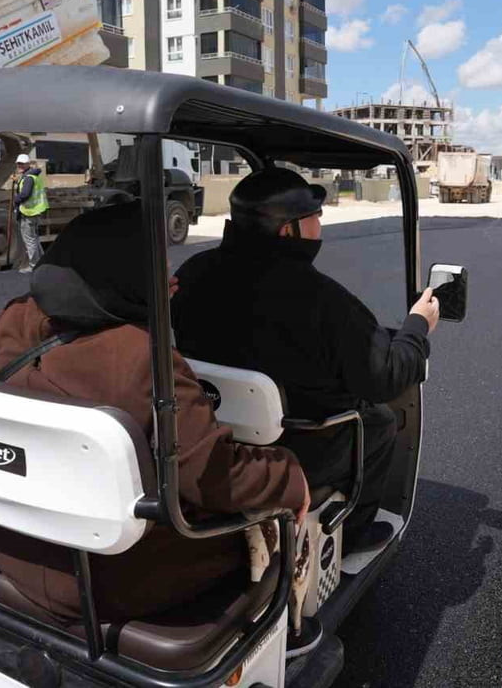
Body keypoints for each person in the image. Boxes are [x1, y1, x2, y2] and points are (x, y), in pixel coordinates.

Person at [0, 201, 314, 646]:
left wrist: (143, 300)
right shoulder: (141, 357)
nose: (168, 275)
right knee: (279, 514)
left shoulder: (15, 321)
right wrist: (290, 475)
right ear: (125, 273)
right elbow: (213, 477)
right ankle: (295, 635)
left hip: (19, 546)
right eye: (156, 267)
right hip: (110, 576)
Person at [172, 168, 439, 556]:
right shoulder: (324, 302)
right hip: (299, 444)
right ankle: (355, 532)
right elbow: (385, 378)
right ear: (287, 231)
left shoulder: (191, 273)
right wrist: (417, 327)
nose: (320, 223)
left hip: (212, 431)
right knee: (379, 421)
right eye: (313, 216)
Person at [13, 153, 47, 272]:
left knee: (30, 240)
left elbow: (25, 194)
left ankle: (34, 266)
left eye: (22, 164)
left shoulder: (28, 178)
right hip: (35, 211)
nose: (20, 165)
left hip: (29, 213)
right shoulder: (31, 176)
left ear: (28, 164)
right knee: (34, 239)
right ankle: (42, 262)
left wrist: (15, 199)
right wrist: (18, 181)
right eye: (19, 164)